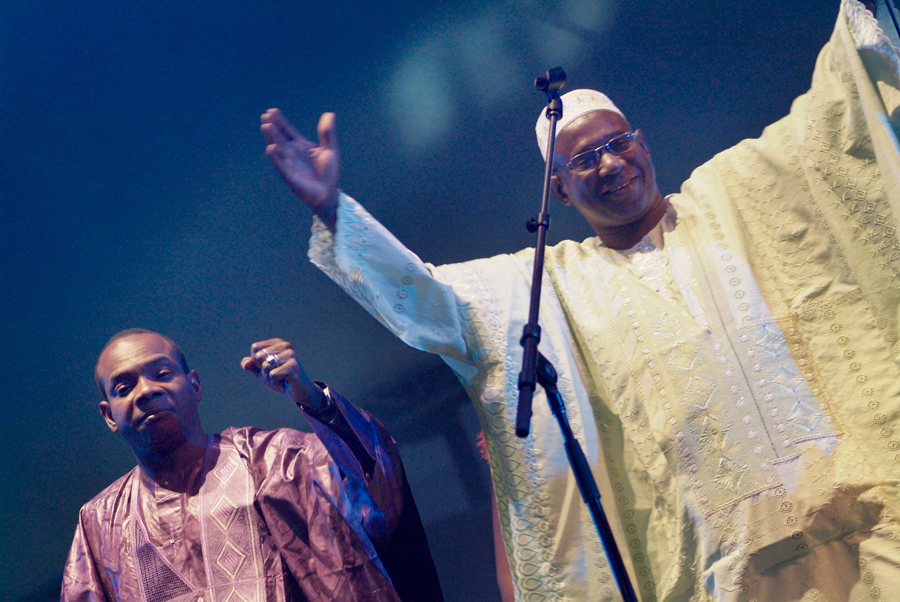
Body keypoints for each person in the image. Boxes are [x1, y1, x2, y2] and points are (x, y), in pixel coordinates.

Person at [261, 1, 900, 600]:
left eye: (618, 142)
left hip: (864, 525)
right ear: (560, 191)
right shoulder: (549, 287)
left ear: (642, 142)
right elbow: (434, 303)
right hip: (725, 565)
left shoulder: (735, 193)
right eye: (584, 158)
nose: (610, 162)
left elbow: (833, 117)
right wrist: (333, 210)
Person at [61, 329, 444, 602]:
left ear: (194, 386)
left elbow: (375, 483)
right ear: (109, 415)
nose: (146, 391)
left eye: (162, 374)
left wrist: (312, 398)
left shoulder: (276, 461)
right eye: (124, 388)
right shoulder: (100, 522)